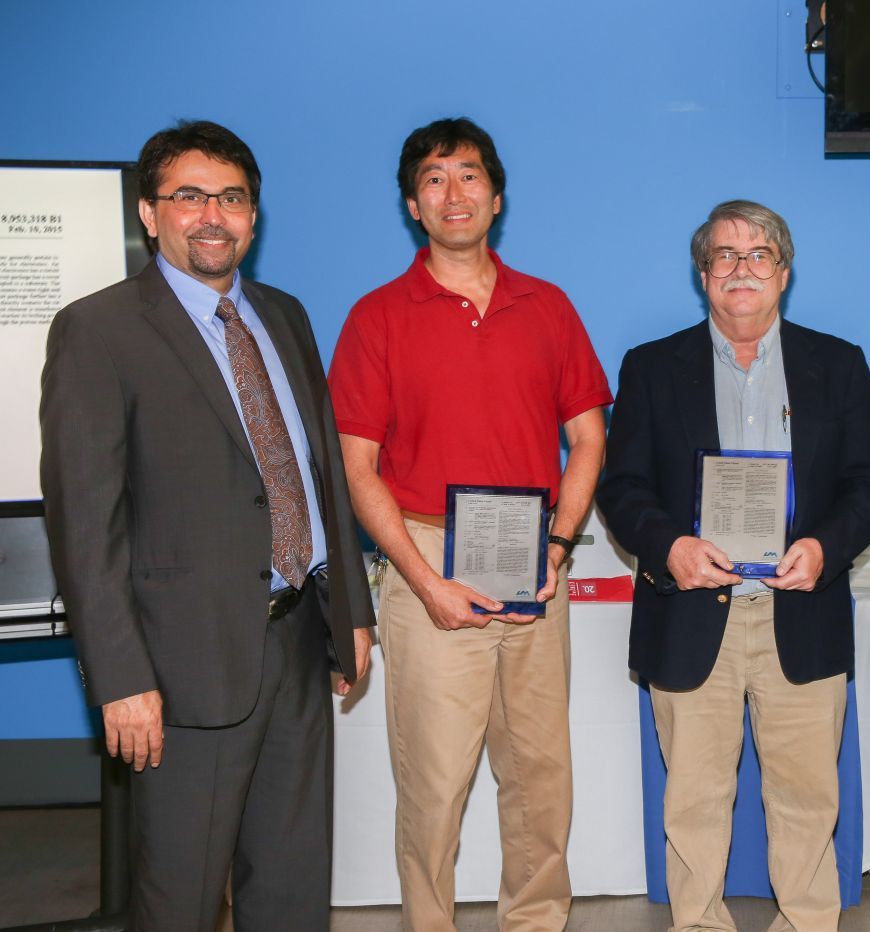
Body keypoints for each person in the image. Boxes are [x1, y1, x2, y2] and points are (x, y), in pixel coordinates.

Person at [39, 120, 375, 930]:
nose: (211, 215)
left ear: (254, 217)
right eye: (188, 197)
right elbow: (85, 523)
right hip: (178, 663)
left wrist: (350, 611)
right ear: (150, 214)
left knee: (293, 882)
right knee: (181, 895)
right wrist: (120, 678)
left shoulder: (285, 316)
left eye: (231, 198)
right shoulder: (100, 330)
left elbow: (317, 469)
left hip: (297, 640)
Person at [328, 117, 611, 932]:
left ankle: (536, 921)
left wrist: (557, 544)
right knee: (434, 782)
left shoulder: (547, 306)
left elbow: (589, 437)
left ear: (497, 195)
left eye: (470, 175)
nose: (455, 193)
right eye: (434, 180)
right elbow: (357, 469)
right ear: (413, 206)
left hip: (533, 559)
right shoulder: (379, 316)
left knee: (539, 777)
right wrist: (423, 582)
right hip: (426, 557)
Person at [597, 200, 870, 932]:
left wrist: (823, 548)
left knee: (808, 798)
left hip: (803, 610)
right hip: (693, 612)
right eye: (724, 256)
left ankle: (809, 923)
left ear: (783, 273)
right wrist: (670, 548)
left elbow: (869, 484)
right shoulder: (653, 367)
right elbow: (621, 486)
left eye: (759, 254)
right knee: (692, 801)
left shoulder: (838, 364)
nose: (741, 269)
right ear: (703, 276)